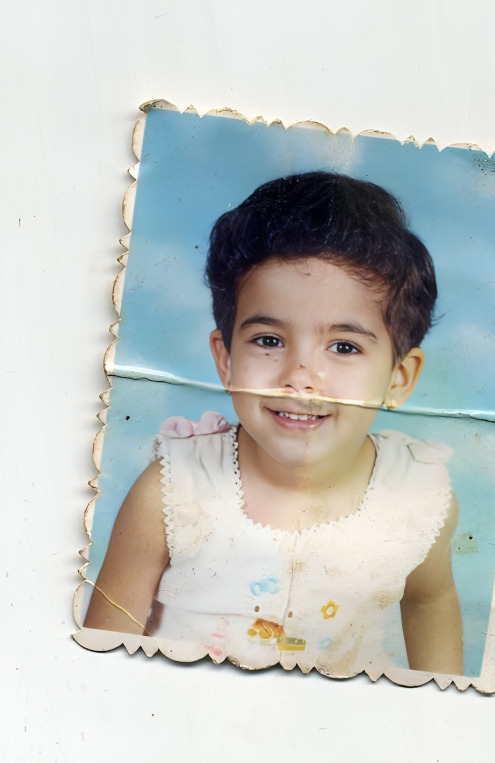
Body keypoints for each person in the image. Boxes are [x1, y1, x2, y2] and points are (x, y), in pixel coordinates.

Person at [84, 172, 464, 677]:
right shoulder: (174, 490)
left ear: (399, 377)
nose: (300, 377)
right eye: (269, 340)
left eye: (344, 347)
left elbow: (429, 601)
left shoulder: (417, 496)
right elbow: (106, 643)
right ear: (225, 359)